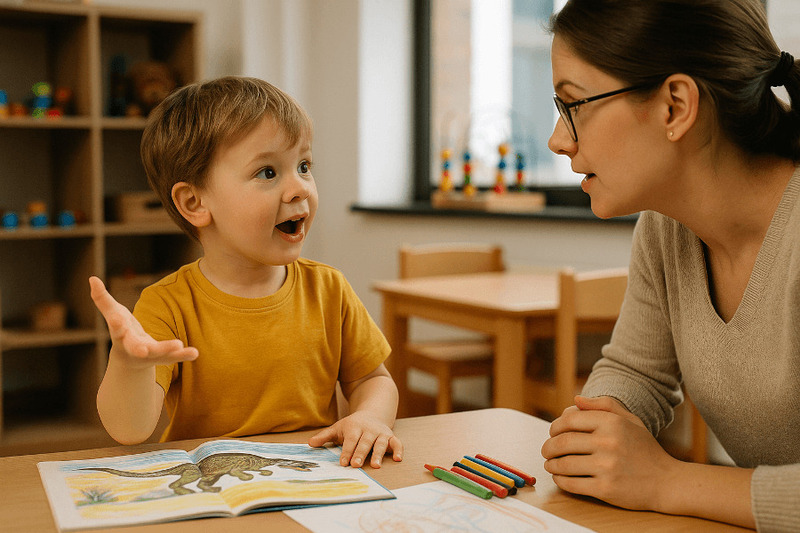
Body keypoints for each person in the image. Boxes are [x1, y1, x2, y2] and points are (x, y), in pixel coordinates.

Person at [541, 0, 800, 530]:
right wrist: (599, 434)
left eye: (574, 104)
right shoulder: (668, 226)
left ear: (675, 106)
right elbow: (636, 372)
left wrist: (664, 480)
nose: (559, 140)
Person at [88, 76, 403, 470]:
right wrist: (129, 366)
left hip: (314, 480)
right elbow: (129, 430)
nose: (299, 188)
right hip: (214, 489)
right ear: (194, 202)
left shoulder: (329, 288)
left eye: (304, 166)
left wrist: (370, 417)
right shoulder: (167, 304)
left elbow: (373, 380)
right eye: (268, 172)